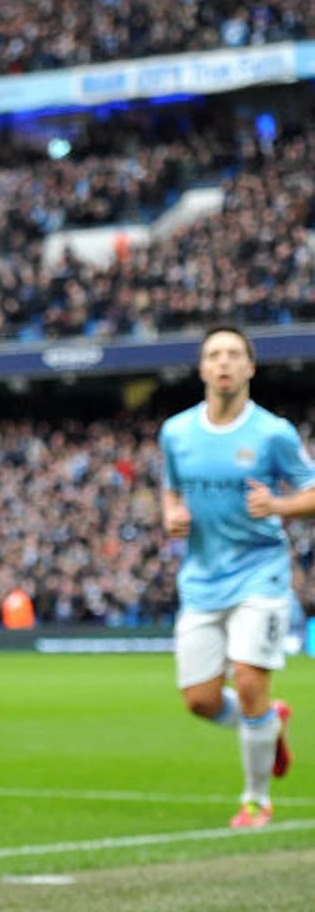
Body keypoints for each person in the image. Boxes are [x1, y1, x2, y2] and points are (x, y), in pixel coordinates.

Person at [159, 325, 311, 828]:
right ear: (202, 368)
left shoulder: (273, 433)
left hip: (259, 575)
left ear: (250, 367)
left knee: (249, 682)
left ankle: (256, 800)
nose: (223, 363)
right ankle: (271, 721)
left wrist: (279, 504)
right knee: (200, 701)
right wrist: (172, 514)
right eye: (213, 355)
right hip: (201, 580)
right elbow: (171, 489)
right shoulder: (177, 432)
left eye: (233, 355)